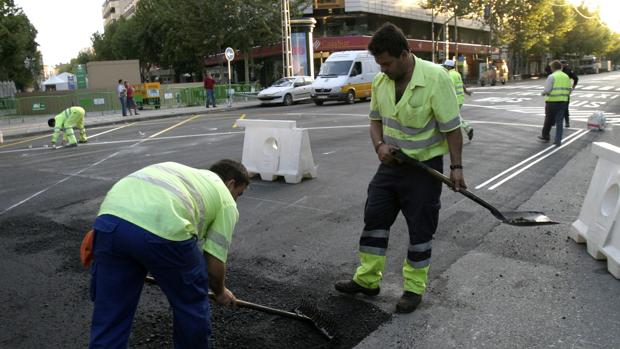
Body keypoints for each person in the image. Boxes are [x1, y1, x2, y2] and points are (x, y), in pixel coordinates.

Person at [334, 22, 465, 314]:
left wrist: (456, 168)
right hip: (391, 166)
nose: (382, 69)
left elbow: (453, 129)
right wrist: (379, 146)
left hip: (424, 168)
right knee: (375, 217)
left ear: (405, 54)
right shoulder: (382, 82)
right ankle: (367, 280)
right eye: (379, 63)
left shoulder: (435, 78)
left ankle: (414, 288)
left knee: (420, 228)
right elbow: (375, 120)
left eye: (387, 63)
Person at [88, 159, 249, 348]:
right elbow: (214, 261)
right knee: (190, 303)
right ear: (230, 184)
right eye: (239, 194)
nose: (236, 199)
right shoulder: (226, 199)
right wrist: (220, 292)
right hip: (164, 228)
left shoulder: (182, 172)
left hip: (109, 221)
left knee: (111, 311)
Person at [539, 60, 571, 146]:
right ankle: (558, 140)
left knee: (548, 119)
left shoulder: (551, 76)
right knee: (559, 122)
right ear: (560, 67)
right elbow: (569, 89)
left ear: (553, 68)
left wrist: (543, 93)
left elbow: (547, 90)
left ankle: (545, 135)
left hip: (552, 102)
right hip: (563, 102)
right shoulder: (566, 76)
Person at [443, 59, 474, 141]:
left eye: (445, 66)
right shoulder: (457, 74)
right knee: (454, 116)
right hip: (460, 99)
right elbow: (462, 84)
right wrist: (466, 91)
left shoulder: (449, 75)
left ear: (449, 67)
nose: (444, 67)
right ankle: (468, 129)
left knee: (454, 116)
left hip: (454, 99)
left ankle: (468, 128)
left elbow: (450, 86)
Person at [560, 60, 579, 127]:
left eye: (563, 64)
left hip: (565, 92)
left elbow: (576, 78)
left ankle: (567, 122)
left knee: (565, 108)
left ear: (565, 64)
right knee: (558, 107)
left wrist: (573, 87)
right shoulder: (558, 71)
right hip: (559, 92)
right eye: (561, 64)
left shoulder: (568, 70)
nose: (562, 65)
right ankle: (557, 122)